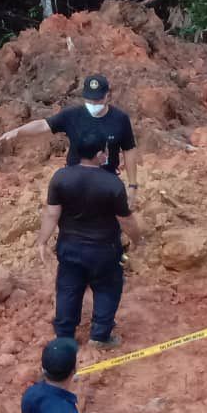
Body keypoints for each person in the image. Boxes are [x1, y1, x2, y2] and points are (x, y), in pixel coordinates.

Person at [38, 130, 144, 348]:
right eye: (104, 150)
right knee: (108, 288)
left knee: (68, 289)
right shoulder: (112, 184)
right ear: (99, 154)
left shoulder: (61, 177)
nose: (106, 154)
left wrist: (42, 241)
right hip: (104, 249)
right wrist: (137, 239)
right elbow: (125, 220)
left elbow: (51, 213)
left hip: (70, 247)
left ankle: (65, 336)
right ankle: (100, 335)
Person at [0, 74, 141, 207]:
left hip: (107, 181)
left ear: (107, 96)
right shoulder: (72, 115)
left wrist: (132, 185)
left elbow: (129, 150)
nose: (94, 104)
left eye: (98, 100)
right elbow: (44, 125)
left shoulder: (120, 119)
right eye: (90, 100)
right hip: (75, 180)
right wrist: (18, 132)